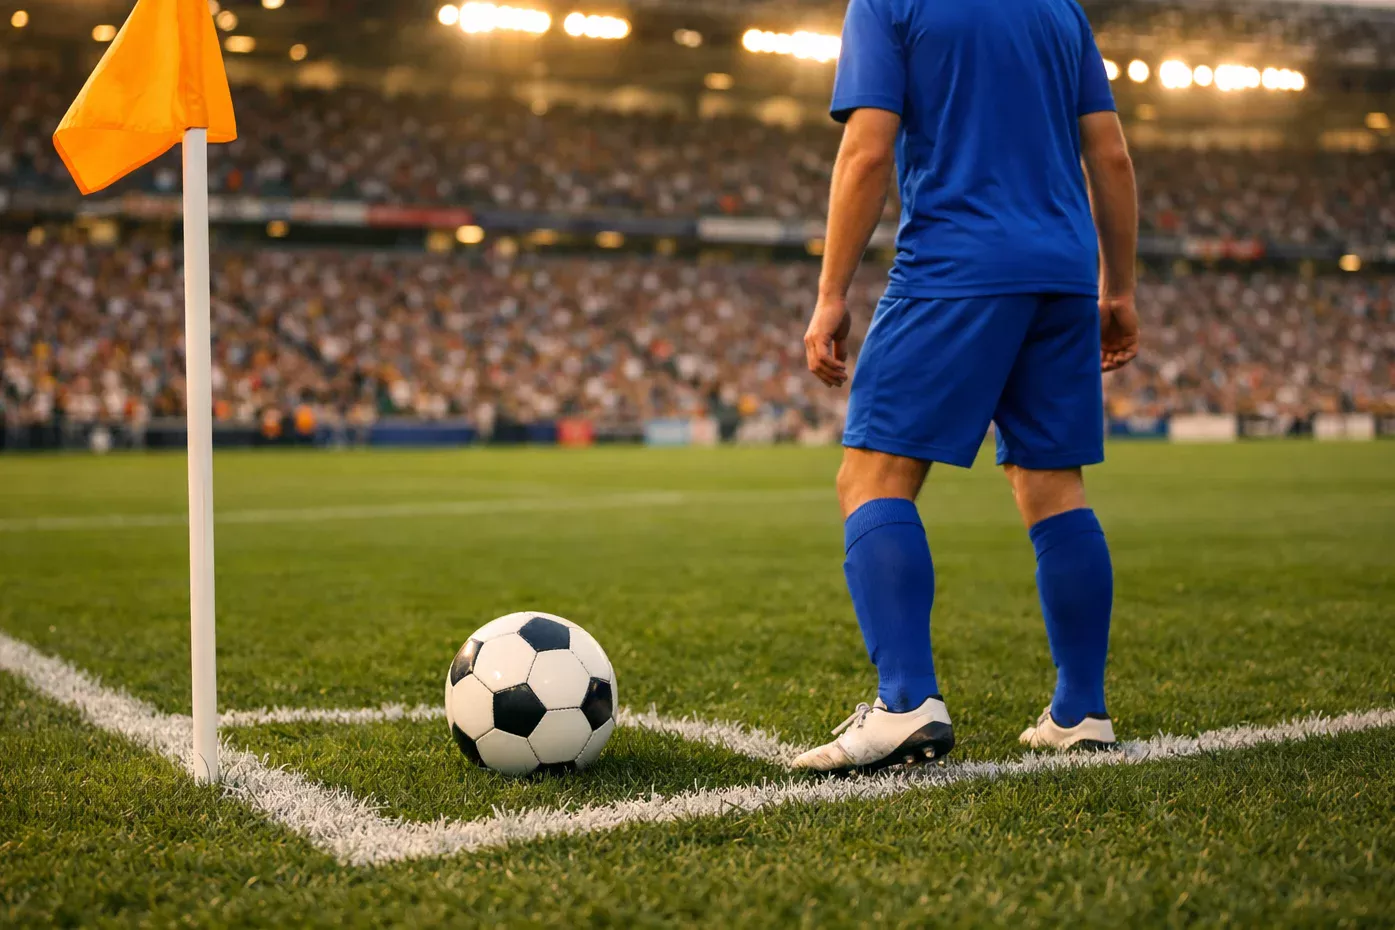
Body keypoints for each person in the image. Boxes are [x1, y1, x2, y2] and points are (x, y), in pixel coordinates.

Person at [793, 0, 1140, 773]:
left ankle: (906, 701)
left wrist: (829, 294)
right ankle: (1080, 710)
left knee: (872, 476)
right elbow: (1109, 153)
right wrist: (1116, 289)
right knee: (1053, 486)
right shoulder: (1060, 10)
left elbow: (866, 150)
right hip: (1060, 272)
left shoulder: (887, 3)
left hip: (955, 266)